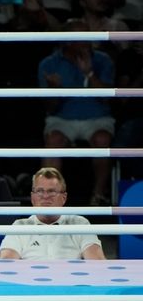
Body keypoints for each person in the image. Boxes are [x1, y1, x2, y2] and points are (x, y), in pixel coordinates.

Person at [38, 18, 116, 206]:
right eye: (81, 37)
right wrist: (54, 89)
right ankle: (50, 198)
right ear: (68, 41)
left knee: (103, 140)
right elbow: (49, 108)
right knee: (53, 140)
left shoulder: (103, 60)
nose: (87, 41)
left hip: (98, 118)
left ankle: (98, 196)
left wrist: (90, 74)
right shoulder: (49, 64)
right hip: (62, 119)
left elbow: (108, 99)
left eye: (88, 34)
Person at [0, 167, 106, 259]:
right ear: (32, 198)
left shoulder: (79, 223)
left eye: (51, 191)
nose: (45, 196)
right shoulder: (20, 226)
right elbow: (7, 261)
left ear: (64, 198)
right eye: (40, 191)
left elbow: (97, 261)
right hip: (30, 281)